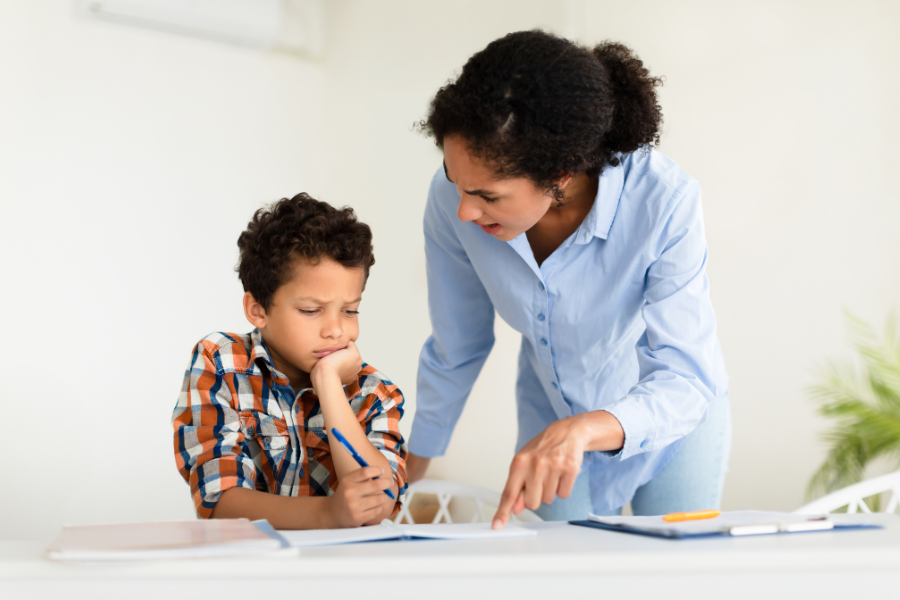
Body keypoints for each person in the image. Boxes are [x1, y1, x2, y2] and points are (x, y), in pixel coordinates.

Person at [407, 30, 731, 528]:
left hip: (670, 422)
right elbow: (457, 345)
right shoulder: (454, 203)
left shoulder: (664, 202)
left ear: (560, 173)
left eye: (488, 197)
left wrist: (585, 429)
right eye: (456, 181)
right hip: (551, 420)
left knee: (672, 579)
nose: (465, 210)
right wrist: (408, 474)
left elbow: (686, 377)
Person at [172, 193, 408, 529]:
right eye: (311, 311)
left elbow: (376, 504)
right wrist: (328, 514)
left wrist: (328, 384)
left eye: (350, 310)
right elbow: (219, 499)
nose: (336, 330)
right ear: (258, 310)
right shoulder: (221, 362)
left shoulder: (375, 393)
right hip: (249, 570)